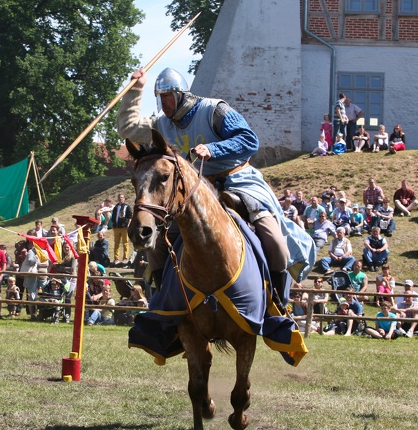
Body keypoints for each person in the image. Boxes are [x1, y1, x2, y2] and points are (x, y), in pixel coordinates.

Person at [117, 67, 315, 303]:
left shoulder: (213, 110)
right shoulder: (162, 123)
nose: (164, 103)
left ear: (180, 94)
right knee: (158, 246)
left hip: (237, 181)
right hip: (194, 192)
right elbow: (127, 129)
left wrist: (213, 149)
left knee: (274, 240)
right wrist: (135, 90)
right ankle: (163, 309)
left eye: (167, 96)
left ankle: (277, 305)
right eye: (160, 97)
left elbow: (249, 140)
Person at [19, 232, 40, 319]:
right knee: (31, 295)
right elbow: (31, 261)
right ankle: (32, 314)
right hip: (31, 275)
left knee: (40, 295)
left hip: (40, 276)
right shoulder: (31, 251)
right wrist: (37, 256)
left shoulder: (41, 251)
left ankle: (40, 314)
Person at [111, 193, 132, 265]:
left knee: (125, 243)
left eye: (122, 197)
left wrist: (128, 224)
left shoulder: (127, 206)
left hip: (124, 227)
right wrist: (113, 225)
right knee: (116, 243)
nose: (120, 199)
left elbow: (130, 216)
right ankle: (116, 259)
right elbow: (113, 217)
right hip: (116, 227)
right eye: (119, 197)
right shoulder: (116, 207)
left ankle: (125, 258)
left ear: (124, 198)